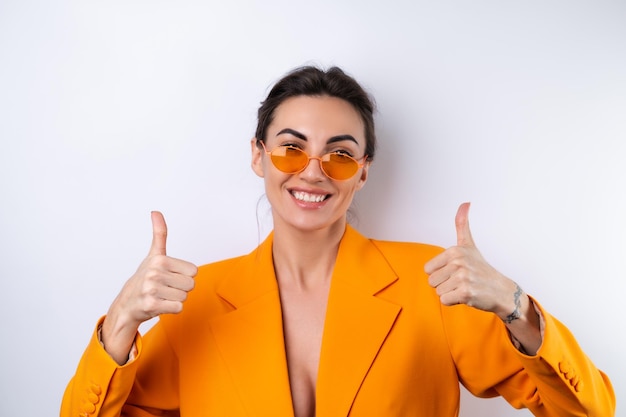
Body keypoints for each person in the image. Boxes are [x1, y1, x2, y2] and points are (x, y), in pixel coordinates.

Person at [61, 66, 615, 417]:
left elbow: (588, 412)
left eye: (341, 153)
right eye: (290, 148)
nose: (313, 171)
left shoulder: (435, 285)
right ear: (258, 155)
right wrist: (120, 324)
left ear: (364, 170)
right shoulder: (195, 299)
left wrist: (516, 306)